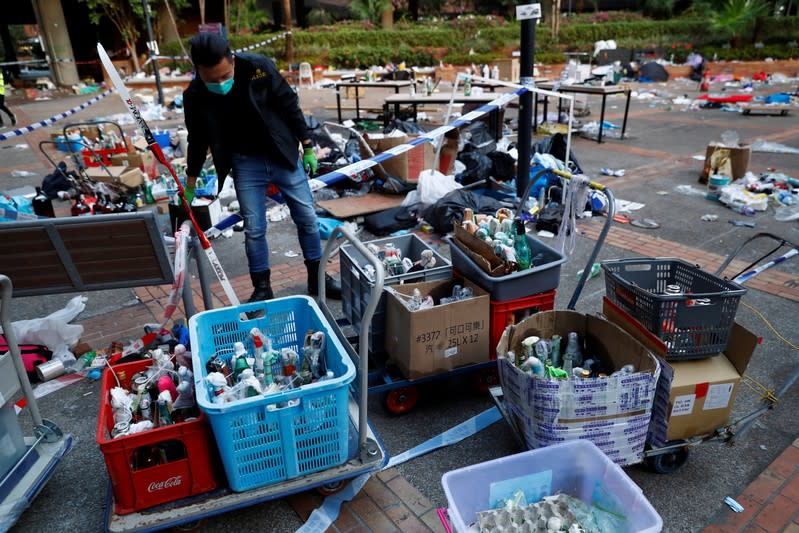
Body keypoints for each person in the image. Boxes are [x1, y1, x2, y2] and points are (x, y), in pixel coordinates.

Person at [183, 32, 340, 303]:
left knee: (307, 218)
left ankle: (317, 278)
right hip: (245, 163)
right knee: (254, 229)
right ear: (198, 70)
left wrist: (309, 145)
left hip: (282, 154)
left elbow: (289, 104)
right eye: (212, 80)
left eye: (224, 75)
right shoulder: (195, 96)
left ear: (232, 59)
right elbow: (197, 140)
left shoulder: (259, 68)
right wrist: (190, 183)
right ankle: (262, 288)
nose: (220, 84)